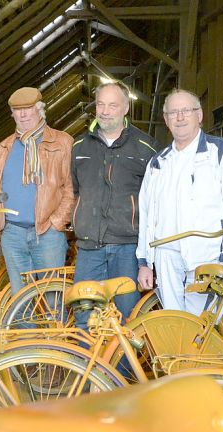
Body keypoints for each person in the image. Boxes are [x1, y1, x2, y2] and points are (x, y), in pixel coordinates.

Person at [136, 89, 223, 316]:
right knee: (173, 323)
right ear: (166, 119)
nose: (180, 117)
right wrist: (144, 261)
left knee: (201, 330)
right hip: (166, 258)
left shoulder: (222, 153)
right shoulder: (157, 163)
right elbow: (147, 215)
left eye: (186, 111)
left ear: (199, 115)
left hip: (207, 257)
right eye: (173, 112)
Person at [71, 82, 159, 322]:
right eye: (101, 104)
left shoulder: (145, 147)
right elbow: (77, 189)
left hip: (127, 248)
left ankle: (121, 362)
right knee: (85, 317)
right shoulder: (79, 146)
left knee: (126, 317)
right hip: (89, 248)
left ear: (126, 108)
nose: (105, 111)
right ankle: (86, 361)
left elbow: (154, 201)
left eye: (113, 105)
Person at [0, 87, 75, 295]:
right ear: (12, 114)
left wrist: (56, 223)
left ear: (40, 110)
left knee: (52, 297)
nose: (23, 114)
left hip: (47, 233)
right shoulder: (4, 147)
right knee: (21, 299)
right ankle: (26, 329)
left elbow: (71, 188)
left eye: (28, 108)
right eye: (17, 110)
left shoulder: (62, 142)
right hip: (12, 234)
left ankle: (54, 330)